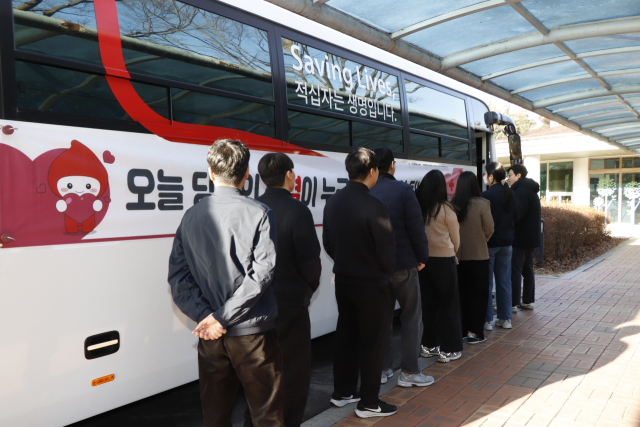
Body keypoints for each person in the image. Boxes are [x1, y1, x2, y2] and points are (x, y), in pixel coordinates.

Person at [168, 139, 283, 427]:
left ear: (210, 172)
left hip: (211, 335)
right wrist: (221, 317)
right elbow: (262, 275)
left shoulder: (191, 215)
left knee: (215, 417)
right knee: (267, 416)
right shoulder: (260, 213)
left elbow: (178, 276)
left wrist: (208, 316)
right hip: (252, 334)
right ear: (247, 174)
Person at [323, 147, 398, 419]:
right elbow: (387, 254)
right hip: (372, 284)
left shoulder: (333, 201)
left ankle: (342, 392)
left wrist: (345, 262)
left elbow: (328, 243)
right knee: (372, 342)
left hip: (344, 280)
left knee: (346, 335)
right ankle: (368, 402)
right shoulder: (375, 206)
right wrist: (384, 271)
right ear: (373, 171)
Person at [253, 152, 322, 427]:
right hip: (290, 305)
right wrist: (306, 290)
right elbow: (311, 264)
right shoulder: (298, 211)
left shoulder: (252, 208)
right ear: (289, 175)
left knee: (259, 372)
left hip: (256, 304)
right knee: (292, 372)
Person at [369, 148, 432, 387]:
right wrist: (422, 257)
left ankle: (382, 369)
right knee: (411, 316)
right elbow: (416, 229)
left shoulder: (367, 190)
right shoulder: (404, 190)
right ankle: (409, 372)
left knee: (381, 318)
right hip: (403, 265)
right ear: (392, 165)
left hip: (377, 268)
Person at [416, 169, 463, 363]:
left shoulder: (418, 208)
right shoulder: (446, 209)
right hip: (444, 261)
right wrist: (452, 251)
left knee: (428, 305)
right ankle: (449, 349)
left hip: (423, 261)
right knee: (448, 305)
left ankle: (428, 346)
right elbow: (456, 239)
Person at [451, 171, 494, 344]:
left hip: (458, 257)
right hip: (479, 256)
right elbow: (490, 229)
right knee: (479, 295)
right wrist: (481, 240)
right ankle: (475, 332)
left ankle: (461, 330)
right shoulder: (483, 203)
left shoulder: (452, 205)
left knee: (461, 295)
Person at [481, 162, 518, 331]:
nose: (485, 177)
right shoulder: (510, 194)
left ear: (491, 177)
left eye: (485, 174)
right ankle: (505, 318)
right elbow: (517, 216)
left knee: (487, 282)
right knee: (504, 281)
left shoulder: (485, 196)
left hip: (490, 243)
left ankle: (487, 320)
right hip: (507, 243)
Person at [508, 164, 541, 311]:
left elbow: (517, 214)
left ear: (518, 175)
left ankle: (513, 302)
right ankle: (527, 301)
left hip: (520, 238)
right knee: (527, 270)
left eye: (510, 175)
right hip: (530, 238)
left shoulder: (520, 192)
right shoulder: (531, 190)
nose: (508, 178)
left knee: (515, 270)